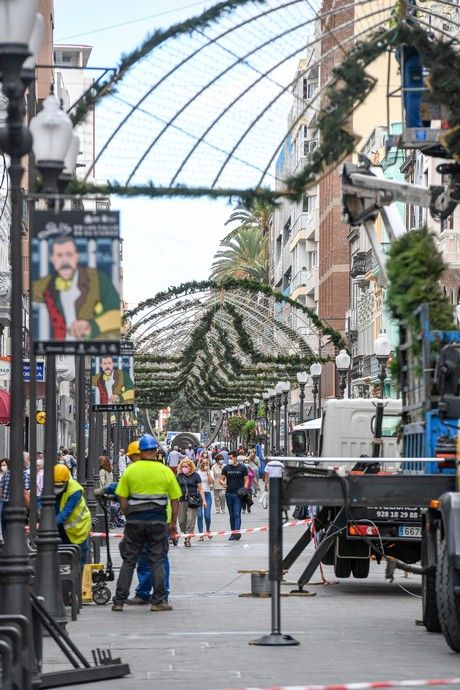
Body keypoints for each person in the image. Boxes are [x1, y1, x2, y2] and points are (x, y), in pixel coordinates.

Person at [112, 433, 181, 612]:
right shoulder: (165, 471)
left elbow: (121, 495)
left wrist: (128, 513)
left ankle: (119, 601)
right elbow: (175, 499)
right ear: (155, 451)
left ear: (140, 451)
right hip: (157, 522)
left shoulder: (130, 470)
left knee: (129, 561)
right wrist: (172, 523)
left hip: (134, 521)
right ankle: (158, 601)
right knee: (157, 560)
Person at [32, 236, 121, 341]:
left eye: (69, 254)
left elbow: (116, 313)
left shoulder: (96, 278)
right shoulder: (45, 284)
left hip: (86, 348)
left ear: (76, 256)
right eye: (59, 255)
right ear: (52, 258)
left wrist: (92, 326)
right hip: (58, 349)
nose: (64, 260)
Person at [54, 464, 91, 567]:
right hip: (61, 527)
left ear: (66, 481)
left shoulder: (75, 491)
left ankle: (80, 581)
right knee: (62, 559)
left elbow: (65, 513)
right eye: (55, 485)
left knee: (80, 560)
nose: (57, 488)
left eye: (59, 486)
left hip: (78, 528)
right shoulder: (50, 484)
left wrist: (47, 524)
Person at [176, 458, 205, 548]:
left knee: (191, 519)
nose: (184, 468)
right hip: (181, 500)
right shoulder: (179, 476)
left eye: (186, 466)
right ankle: (185, 533)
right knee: (181, 521)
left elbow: (200, 488)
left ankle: (187, 538)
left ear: (190, 467)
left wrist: (204, 500)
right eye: (183, 466)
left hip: (193, 500)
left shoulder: (196, 476)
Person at [220, 451, 249, 541]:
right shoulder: (226, 468)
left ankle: (237, 532)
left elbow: (246, 480)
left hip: (238, 495)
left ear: (236, 457)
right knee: (231, 515)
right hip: (229, 494)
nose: (229, 460)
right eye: (228, 458)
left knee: (237, 514)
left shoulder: (242, 468)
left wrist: (244, 488)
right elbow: (221, 479)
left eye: (231, 458)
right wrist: (223, 484)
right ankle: (233, 532)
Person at [197, 456, 213, 540]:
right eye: (204, 463)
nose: (205, 465)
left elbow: (211, 483)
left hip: (207, 494)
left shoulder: (210, 472)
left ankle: (208, 529)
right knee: (199, 515)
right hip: (198, 495)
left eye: (207, 463)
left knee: (207, 515)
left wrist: (208, 472)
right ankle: (201, 534)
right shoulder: (198, 472)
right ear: (201, 464)